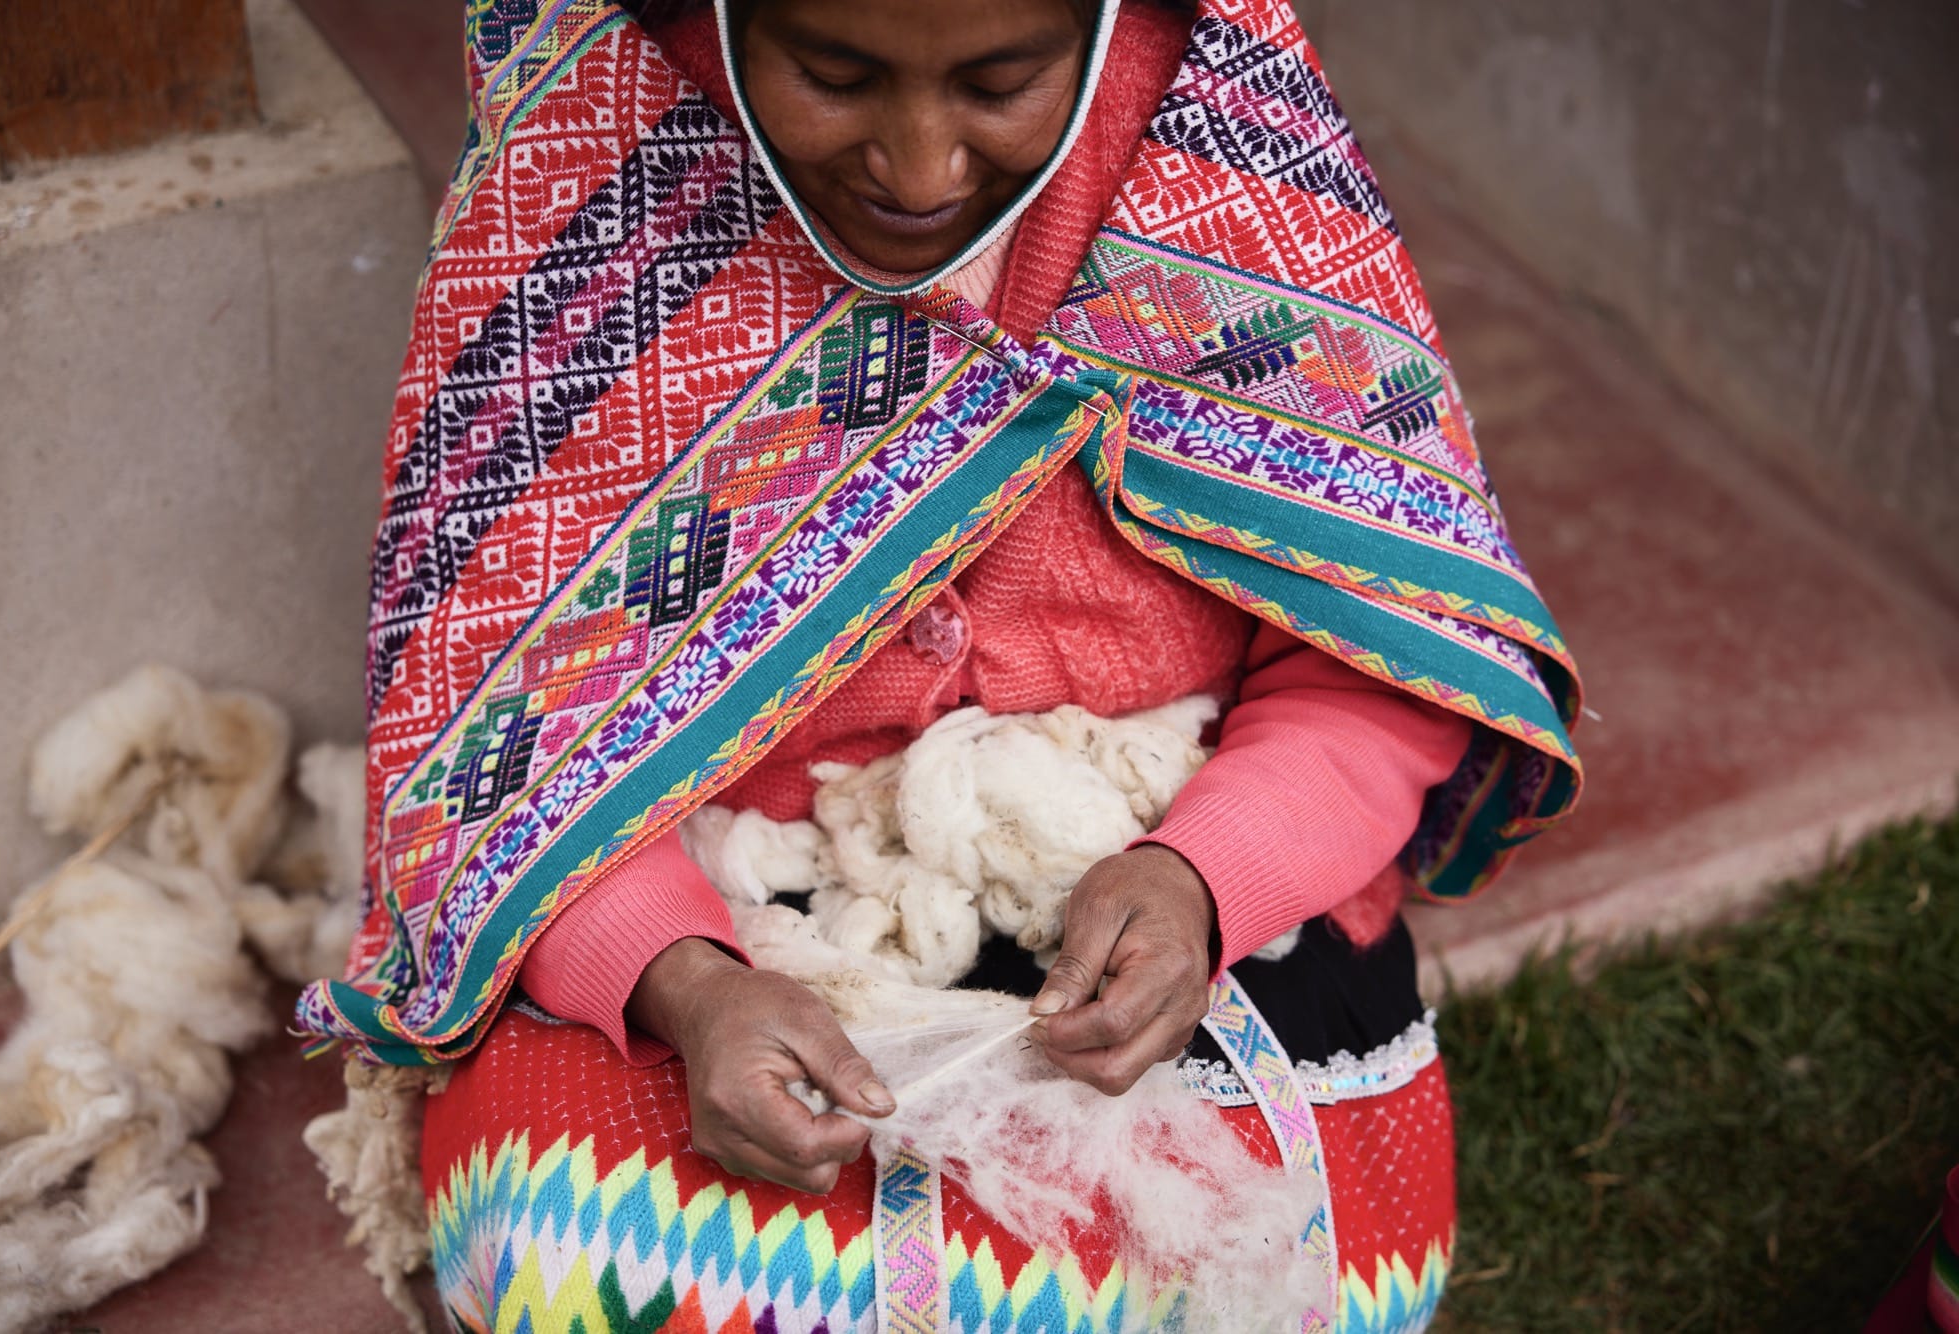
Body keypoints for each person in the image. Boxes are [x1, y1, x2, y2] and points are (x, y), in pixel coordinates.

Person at [295, 0, 1583, 1329]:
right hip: (735, 914)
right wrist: (683, 982)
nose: (920, 170)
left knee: (1306, 1276)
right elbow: (504, 752)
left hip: (1157, 883)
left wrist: (1205, 881)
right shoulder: (600, 185)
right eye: (834, 75)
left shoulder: (1221, 154)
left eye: (1002, 81)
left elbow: (1373, 668)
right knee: (595, 1271)